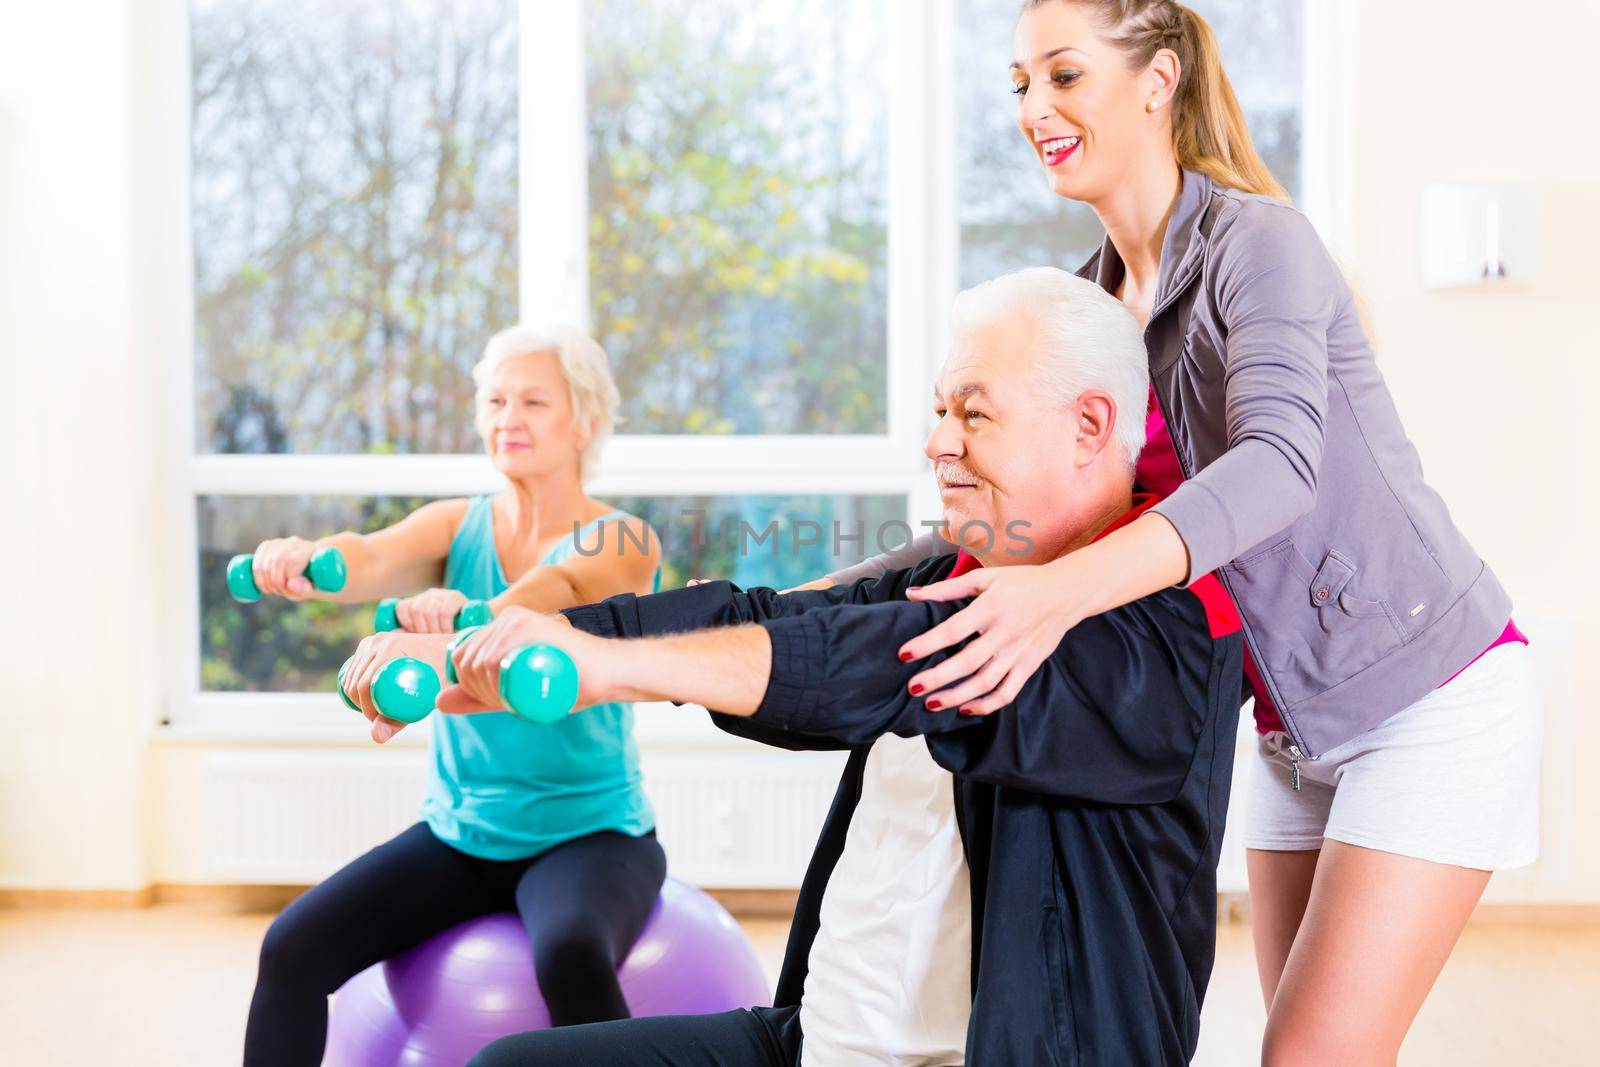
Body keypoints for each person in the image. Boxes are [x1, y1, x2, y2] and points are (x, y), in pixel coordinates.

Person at [820, 3, 1541, 1063]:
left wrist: (1057, 593)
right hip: (1289, 732)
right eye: (1019, 83)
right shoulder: (1088, 306)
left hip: (1429, 698)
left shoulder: (1260, 241)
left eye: (1063, 75)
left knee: (1308, 1055)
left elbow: (1278, 463)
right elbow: (1017, 523)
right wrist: (804, 603)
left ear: (1157, 80)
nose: (1035, 108)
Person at [356, 268, 1245, 1065]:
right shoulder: (951, 574)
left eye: (974, 413)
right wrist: (493, 645)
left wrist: (602, 669)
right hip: (818, 1040)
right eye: (939, 411)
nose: (939, 443)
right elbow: (758, 617)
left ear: (1090, 426)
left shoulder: (1161, 636)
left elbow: (870, 667)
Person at [241, 325, 666, 1066]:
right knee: (291, 947)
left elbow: (555, 592)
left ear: (585, 421)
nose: (509, 416)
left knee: (570, 954)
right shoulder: (455, 523)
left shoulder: (621, 538)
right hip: (461, 832)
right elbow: (369, 556)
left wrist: (460, 620)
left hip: (592, 836)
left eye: (534, 400)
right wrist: (308, 560)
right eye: (496, 399)